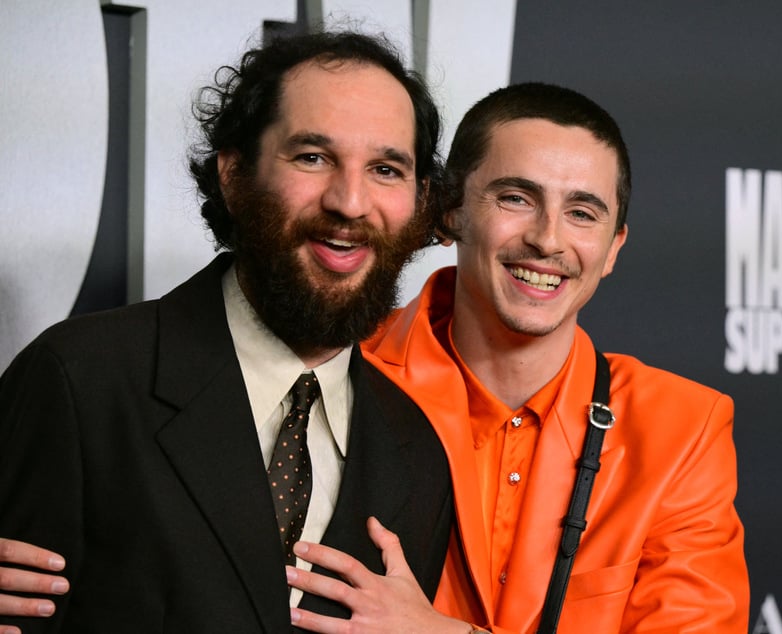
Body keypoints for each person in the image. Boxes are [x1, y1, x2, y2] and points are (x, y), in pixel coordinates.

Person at [0, 30, 454, 633]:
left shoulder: (418, 457)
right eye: (312, 157)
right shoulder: (79, 380)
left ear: (420, 202)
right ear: (235, 175)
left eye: (386, 169)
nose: (350, 202)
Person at [284, 82, 750, 632]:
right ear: (449, 212)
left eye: (582, 213)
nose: (548, 240)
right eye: (516, 199)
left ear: (613, 249)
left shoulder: (683, 429)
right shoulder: (333, 370)